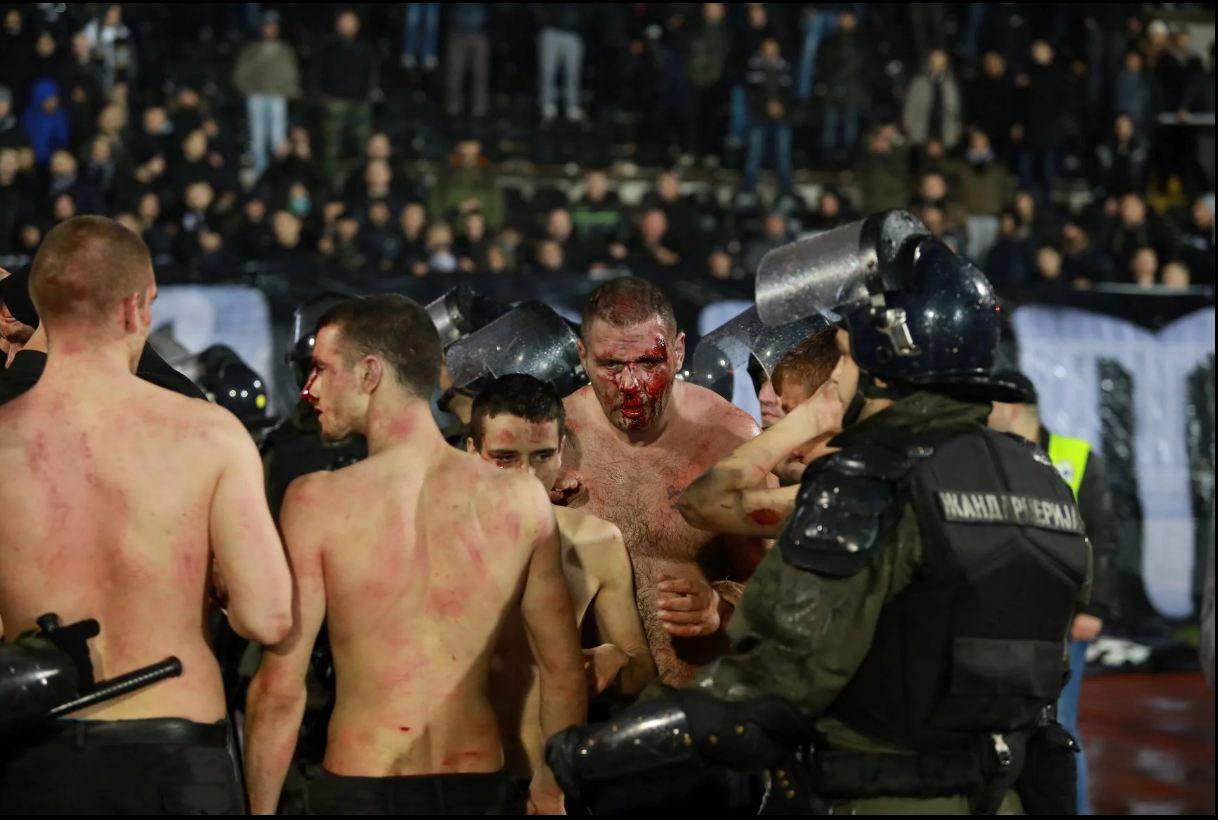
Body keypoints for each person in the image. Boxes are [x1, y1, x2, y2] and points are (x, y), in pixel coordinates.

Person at [548, 216, 1092, 815]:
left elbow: (766, 689)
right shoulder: (1039, 477)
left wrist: (589, 755)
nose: (838, 370)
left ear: (883, 356)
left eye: (844, 353)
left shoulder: (865, 486)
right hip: (1007, 791)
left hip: (889, 793)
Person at [243, 295, 586, 815]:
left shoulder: (317, 502)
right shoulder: (518, 499)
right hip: (476, 786)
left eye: (321, 368)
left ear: (369, 373)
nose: (309, 388)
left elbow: (279, 688)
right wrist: (549, 790)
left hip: (361, 785)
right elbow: (561, 669)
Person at [0, 216, 292, 813]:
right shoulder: (209, 436)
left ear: (38, 308)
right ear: (138, 308)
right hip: (178, 747)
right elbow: (266, 616)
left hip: (38, 753)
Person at [561, 277, 767, 686]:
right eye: (612, 366)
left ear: (678, 352)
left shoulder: (729, 441)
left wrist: (719, 607)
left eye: (649, 363)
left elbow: (775, 590)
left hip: (701, 698)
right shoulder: (554, 440)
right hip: (595, 705)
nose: (632, 386)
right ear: (583, 356)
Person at [468, 374, 656, 810]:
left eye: (542, 456)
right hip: (454, 781)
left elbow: (641, 675)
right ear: (472, 452)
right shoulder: (434, 539)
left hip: (548, 782)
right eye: (504, 457)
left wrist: (615, 657)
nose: (526, 474)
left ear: (562, 452)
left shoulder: (597, 543)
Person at [989, 369, 1119, 816]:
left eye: (988, 408)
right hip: (1010, 617)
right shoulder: (989, 457)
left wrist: (1095, 607)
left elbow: (1101, 537)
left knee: (1058, 728)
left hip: (1063, 618)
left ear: (1008, 408)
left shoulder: (1075, 456)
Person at [677, 328, 843, 538]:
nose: (764, 396)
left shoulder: (845, 491)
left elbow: (700, 504)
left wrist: (808, 418)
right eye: (760, 380)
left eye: (790, 409)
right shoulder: (834, 474)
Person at [233, 9, 301, 179]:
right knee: (257, 138)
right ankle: (259, 173)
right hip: (256, 96)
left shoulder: (285, 49)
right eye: (266, 26)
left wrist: (288, 91)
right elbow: (240, 73)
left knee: (278, 138)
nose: (269, 29)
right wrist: (247, 90)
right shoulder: (251, 49)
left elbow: (291, 73)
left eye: (273, 26)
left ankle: (279, 174)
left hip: (277, 96)